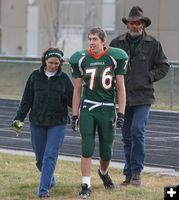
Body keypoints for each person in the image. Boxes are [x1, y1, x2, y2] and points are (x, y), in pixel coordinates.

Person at [110, 6, 170, 186]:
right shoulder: (116, 43)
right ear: (127, 24)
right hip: (122, 97)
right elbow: (107, 64)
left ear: (143, 24)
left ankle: (137, 171)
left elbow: (164, 66)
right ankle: (128, 173)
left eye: (137, 23)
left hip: (143, 97)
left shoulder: (153, 44)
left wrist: (149, 77)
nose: (134, 26)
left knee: (137, 131)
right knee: (126, 136)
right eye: (131, 23)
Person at [69, 27, 128, 199]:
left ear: (104, 41)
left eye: (95, 39)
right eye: (90, 39)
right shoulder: (80, 59)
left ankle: (103, 172)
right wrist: (74, 115)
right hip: (88, 107)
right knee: (87, 145)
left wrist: (121, 112)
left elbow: (121, 89)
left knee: (106, 151)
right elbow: (77, 90)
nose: (92, 42)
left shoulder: (116, 57)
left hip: (108, 107)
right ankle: (86, 184)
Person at [12, 47, 73, 198]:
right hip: (37, 121)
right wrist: (18, 119)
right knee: (40, 159)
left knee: (50, 156)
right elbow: (26, 100)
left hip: (58, 122)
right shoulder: (34, 76)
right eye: (51, 62)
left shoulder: (64, 79)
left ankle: (43, 190)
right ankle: (50, 180)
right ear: (45, 61)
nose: (53, 66)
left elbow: (73, 100)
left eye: (57, 63)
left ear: (60, 63)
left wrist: (80, 111)